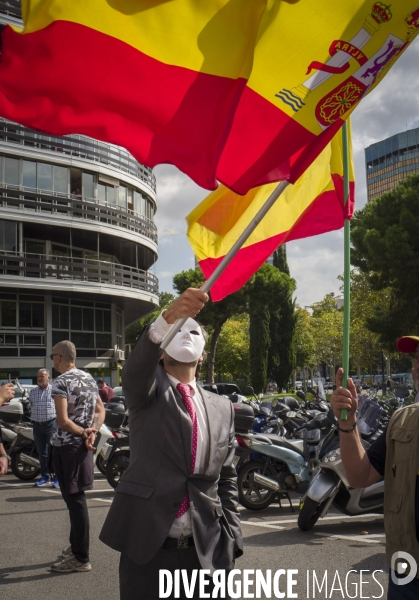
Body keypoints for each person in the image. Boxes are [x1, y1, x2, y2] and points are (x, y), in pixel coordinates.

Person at [100, 288, 243, 600]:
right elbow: (137, 370)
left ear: (203, 353)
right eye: (179, 329)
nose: (186, 332)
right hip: (150, 553)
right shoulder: (145, 393)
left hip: (207, 554)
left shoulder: (222, 407)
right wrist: (167, 318)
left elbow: (227, 476)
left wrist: (232, 537)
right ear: (162, 350)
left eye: (193, 329)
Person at [330, 334, 419, 599]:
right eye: (416, 359)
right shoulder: (403, 420)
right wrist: (347, 423)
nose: (417, 366)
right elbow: (360, 476)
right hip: (407, 568)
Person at [49, 340, 104, 574]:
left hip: (67, 447)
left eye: (53, 357)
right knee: (76, 499)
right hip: (82, 446)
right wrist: (92, 430)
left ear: (59, 358)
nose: (52, 361)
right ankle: (75, 549)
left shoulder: (60, 382)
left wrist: (83, 432)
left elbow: (62, 420)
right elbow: (101, 411)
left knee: (76, 502)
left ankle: (81, 557)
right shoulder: (89, 379)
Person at [29, 369, 59, 488]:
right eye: (38, 376)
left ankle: (57, 477)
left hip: (51, 424)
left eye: (42, 376)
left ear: (48, 377)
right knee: (42, 453)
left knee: (55, 452)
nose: (40, 378)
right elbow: (31, 405)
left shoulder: (54, 390)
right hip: (37, 425)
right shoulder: (33, 392)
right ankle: (45, 476)